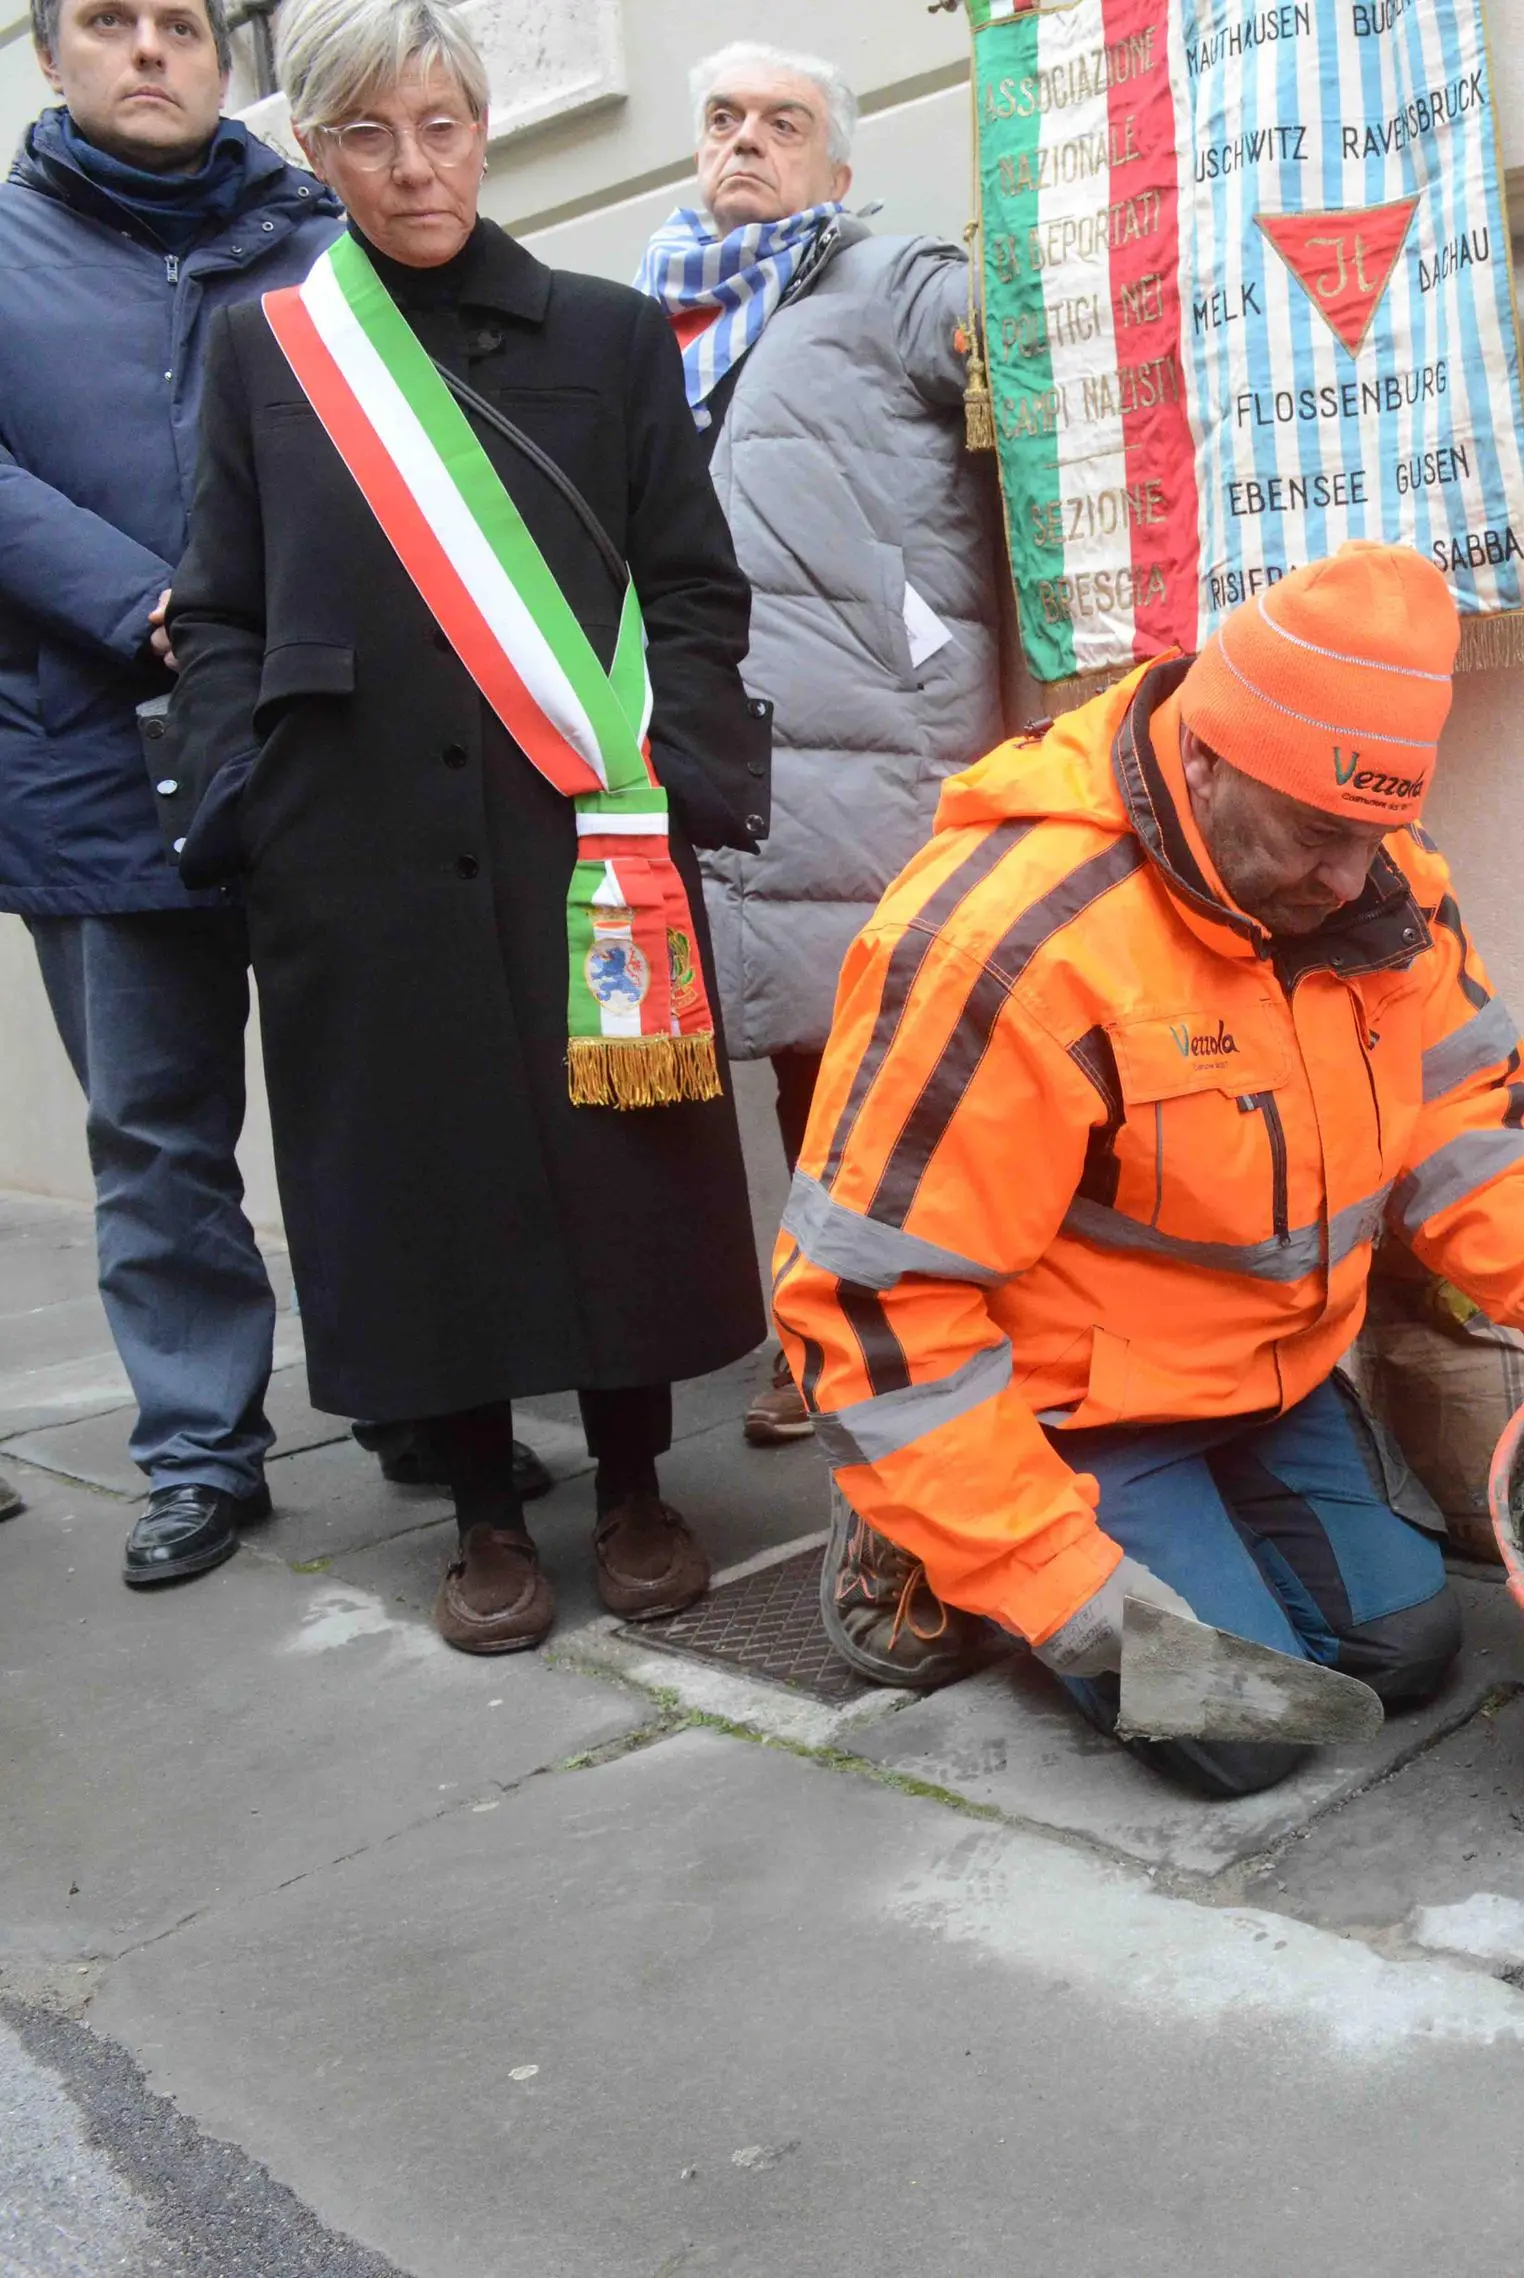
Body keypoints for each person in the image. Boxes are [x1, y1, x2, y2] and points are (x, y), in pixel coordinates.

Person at [771, 541, 1524, 1791]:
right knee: (1245, 1737)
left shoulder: (1379, 886)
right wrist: (1052, 1578)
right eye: (1315, 833)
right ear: (1205, 757)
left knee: (1406, 1654)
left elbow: (1467, 1126)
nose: (1353, 878)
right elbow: (867, 1306)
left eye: (1378, 832)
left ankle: (1149, 1526)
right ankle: (915, 1534)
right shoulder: (1006, 941)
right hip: (1067, 1408)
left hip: (1261, 1379)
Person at [166, 0, 773, 1655]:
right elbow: (217, 605)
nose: (411, 163)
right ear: (315, 150)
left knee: (616, 1161)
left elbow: (694, 582)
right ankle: (480, 1511)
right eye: (367, 133)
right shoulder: (264, 350)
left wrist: (684, 763)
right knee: (421, 1174)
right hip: (350, 850)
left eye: (438, 123)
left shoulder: (605, 333)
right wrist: (244, 803)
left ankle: (639, 1478)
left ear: (481, 130)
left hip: (589, 835)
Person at [0, 0, 337, 1587]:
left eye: (182, 26)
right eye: (109, 24)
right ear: (51, 58)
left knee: (367, 1093)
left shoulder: (319, 234)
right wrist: (157, 601)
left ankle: (410, 1388)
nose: (150, 51)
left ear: (224, 62)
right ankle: (202, 1449)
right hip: (89, 757)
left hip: (317, 745)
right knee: (153, 1128)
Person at [633, 42, 1006, 1461]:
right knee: (714, 1052)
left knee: (844, 1061)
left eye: (783, 123)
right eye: (722, 118)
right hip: (694, 739)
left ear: (837, 169)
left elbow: (1002, 326)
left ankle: (857, 1333)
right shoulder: (651, 316)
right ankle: (784, 1326)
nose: (747, 143)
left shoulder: (885, 277)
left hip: (863, 738)